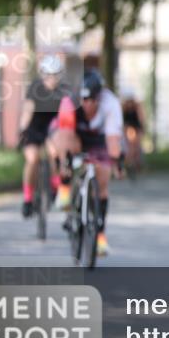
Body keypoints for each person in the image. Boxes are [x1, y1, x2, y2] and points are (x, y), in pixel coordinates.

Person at [50, 69, 124, 257]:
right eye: (84, 100)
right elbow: (65, 136)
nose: (87, 105)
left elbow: (113, 141)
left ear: (99, 97)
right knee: (64, 145)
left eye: (92, 100)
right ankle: (65, 189)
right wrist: (65, 163)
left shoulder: (111, 104)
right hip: (75, 135)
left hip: (99, 139)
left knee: (103, 179)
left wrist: (117, 163)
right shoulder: (70, 103)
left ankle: (100, 235)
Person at [17, 54, 73, 218]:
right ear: (42, 75)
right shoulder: (35, 88)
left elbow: (67, 114)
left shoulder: (64, 90)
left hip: (52, 127)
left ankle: (55, 187)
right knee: (32, 159)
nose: (51, 79)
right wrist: (22, 130)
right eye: (48, 75)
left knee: (55, 153)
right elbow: (27, 110)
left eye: (55, 75)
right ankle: (27, 199)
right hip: (34, 126)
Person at [120, 86, 146, 173]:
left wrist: (142, 129)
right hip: (127, 127)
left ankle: (137, 162)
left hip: (136, 126)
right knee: (129, 144)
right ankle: (128, 161)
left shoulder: (137, 106)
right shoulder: (123, 107)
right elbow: (121, 120)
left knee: (137, 145)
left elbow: (141, 118)